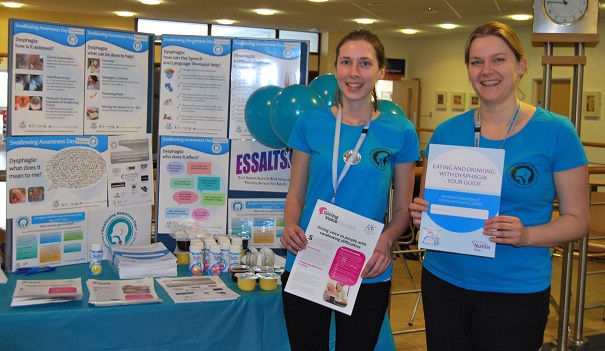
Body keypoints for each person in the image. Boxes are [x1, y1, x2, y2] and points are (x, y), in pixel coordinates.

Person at [409, 21, 590, 351]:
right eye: (476, 62)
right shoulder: (447, 132)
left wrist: (528, 235)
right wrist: (422, 215)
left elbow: (578, 220)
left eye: (499, 59)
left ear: (520, 65)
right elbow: (427, 208)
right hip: (444, 281)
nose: (486, 70)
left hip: (515, 290)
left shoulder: (557, 132)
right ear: (468, 69)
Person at [280, 29, 420, 351]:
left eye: (365, 63)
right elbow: (296, 194)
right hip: (307, 256)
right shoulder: (310, 123)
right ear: (335, 69)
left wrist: (386, 240)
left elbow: (402, 211)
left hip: (366, 265)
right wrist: (289, 225)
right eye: (346, 62)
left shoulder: (399, 131)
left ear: (381, 71)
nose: (354, 73)